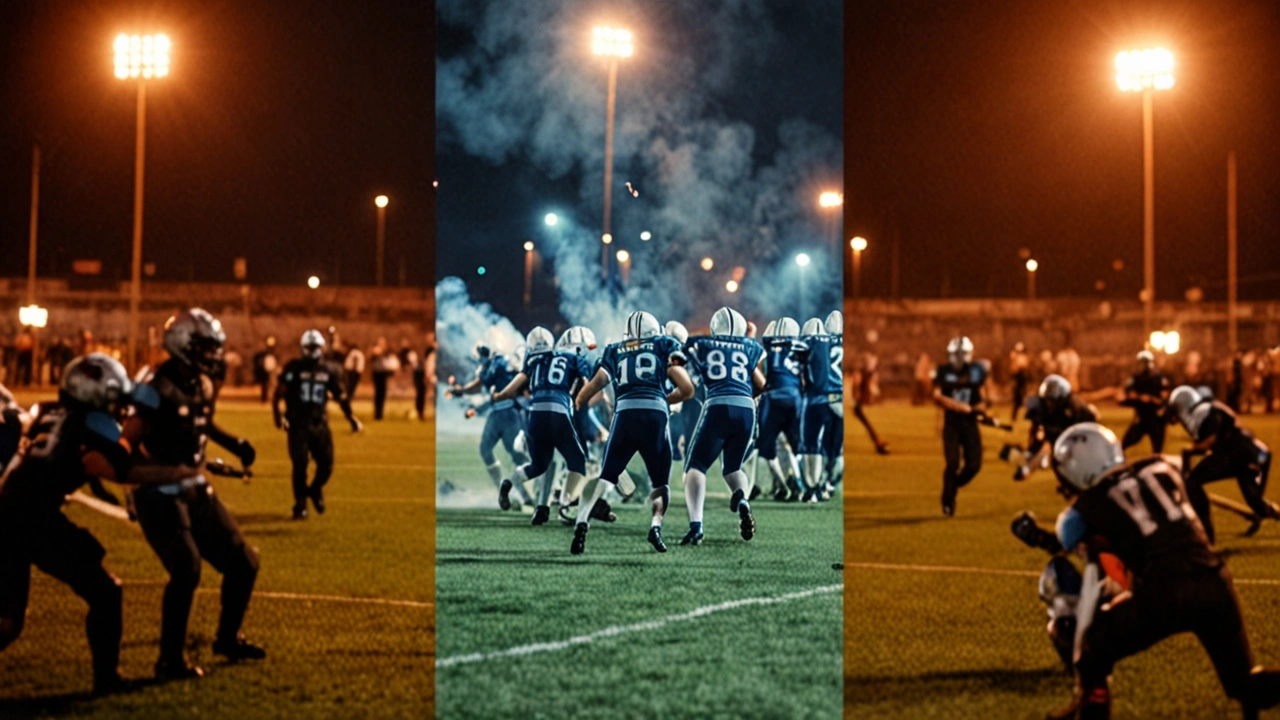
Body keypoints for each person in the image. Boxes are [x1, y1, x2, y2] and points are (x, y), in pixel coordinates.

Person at [1017, 423, 1280, 720]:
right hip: (1214, 581)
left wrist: (1039, 536)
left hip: (1162, 592)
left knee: (1092, 645)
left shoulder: (1083, 508)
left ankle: (1091, 705)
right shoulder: (1161, 466)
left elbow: (1079, 549)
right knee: (1242, 682)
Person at [0, 355, 198, 694]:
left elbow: (75, 458)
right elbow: (110, 466)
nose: (116, 404)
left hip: (6, 511)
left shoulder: (44, 409)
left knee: (7, 621)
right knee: (106, 592)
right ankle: (107, 679)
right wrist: (179, 474)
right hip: (34, 519)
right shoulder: (93, 421)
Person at [126, 309, 264, 679]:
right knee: (186, 569)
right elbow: (127, 440)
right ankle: (169, 660)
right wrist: (147, 474)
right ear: (183, 344)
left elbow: (200, 421)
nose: (213, 355)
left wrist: (234, 443)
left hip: (196, 489)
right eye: (206, 347)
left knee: (244, 563)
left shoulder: (202, 383)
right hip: (159, 492)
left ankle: (227, 638)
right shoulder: (154, 385)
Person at [571, 311, 694, 554]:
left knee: (607, 477)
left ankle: (582, 521)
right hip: (654, 415)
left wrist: (579, 400)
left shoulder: (615, 349)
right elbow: (687, 388)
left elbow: (594, 385)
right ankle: (655, 527)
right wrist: (665, 399)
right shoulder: (663, 344)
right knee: (660, 483)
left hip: (625, 414)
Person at [678, 307, 766, 546]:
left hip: (718, 404)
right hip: (746, 408)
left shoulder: (703, 344)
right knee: (733, 467)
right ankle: (742, 500)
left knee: (696, 467)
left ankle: (696, 527)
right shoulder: (750, 346)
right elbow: (761, 384)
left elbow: (682, 360)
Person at [492, 327, 594, 525]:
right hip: (559, 412)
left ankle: (512, 485)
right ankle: (564, 507)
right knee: (578, 461)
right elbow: (588, 384)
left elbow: (512, 389)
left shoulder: (534, 360)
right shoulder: (574, 358)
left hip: (535, 414)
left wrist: (498, 396)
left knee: (539, 465)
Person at [1167, 385, 1278, 542]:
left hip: (1245, 456)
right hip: (1247, 455)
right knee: (1256, 503)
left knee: (1193, 481)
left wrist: (1189, 450)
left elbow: (1208, 441)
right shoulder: (1207, 408)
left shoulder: (1203, 411)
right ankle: (1270, 514)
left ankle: (1206, 533)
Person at [274, 330, 363, 520]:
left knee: (327, 465)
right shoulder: (294, 368)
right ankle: (300, 505)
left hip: (320, 422)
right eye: (310, 347)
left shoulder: (329, 370)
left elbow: (341, 396)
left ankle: (314, 490)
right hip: (298, 423)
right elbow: (278, 394)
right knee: (300, 465)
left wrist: (351, 417)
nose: (313, 351)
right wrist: (278, 417)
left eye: (315, 347)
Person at [447, 342, 531, 507]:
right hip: (496, 414)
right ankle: (502, 488)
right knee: (485, 449)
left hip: (510, 413)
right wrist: (462, 390)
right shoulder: (487, 368)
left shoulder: (501, 362)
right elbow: (479, 384)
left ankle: (529, 492)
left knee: (517, 456)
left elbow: (516, 378)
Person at [1002, 374, 1098, 481]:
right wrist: (1032, 448)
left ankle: (1028, 467)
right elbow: (1036, 430)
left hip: (1076, 444)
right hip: (1055, 443)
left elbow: (1088, 435)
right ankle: (1028, 467)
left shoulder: (1076, 408)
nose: (1049, 404)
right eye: (1047, 400)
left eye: (1053, 401)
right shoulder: (1040, 407)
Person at [932, 335, 988, 516]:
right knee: (953, 462)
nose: (958, 357)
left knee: (974, 465)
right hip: (952, 424)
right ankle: (948, 501)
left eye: (961, 353)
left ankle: (952, 485)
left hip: (970, 424)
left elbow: (983, 399)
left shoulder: (976, 371)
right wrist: (959, 406)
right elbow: (937, 397)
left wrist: (980, 409)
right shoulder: (943, 371)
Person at [757, 317, 807, 501]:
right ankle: (800, 482)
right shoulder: (801, 348)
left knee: (767, 446)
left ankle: (783, 485)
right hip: (795, 399)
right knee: (795, 446)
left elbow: (761, 375)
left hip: (773, 397)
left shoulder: (769, 348)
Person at [798, 315, 843, 501]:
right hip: (840, 399)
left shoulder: (815, 340)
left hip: (819, 398)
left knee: (811, 445)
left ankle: (813, 487)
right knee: (836, 449)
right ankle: (829, 483)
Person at [1120, 350, 1171, 453]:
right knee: (1125, 443)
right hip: (1142, 417)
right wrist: (1140, 397)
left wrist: (1151, 399)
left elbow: (1164, 397)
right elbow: (1129, 393)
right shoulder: (1136, 378)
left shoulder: (1158, 378)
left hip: (1156, 418)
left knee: (1157, 450)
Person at [369, 338, 400, 421]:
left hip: (383, 373)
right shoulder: (376, 350)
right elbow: (372, 356)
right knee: (378, 394)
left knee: (382, 394)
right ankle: (377, 414)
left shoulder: (386, 351)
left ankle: (380, 414)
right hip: (377, 373)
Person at [251, 336, 279, 403]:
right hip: (265, 372)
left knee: (273, 386)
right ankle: (265, 399)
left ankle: (271, 398)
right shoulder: (264, 355)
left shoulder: (273, 355)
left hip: (272, 372)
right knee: (265, 386)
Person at [1009, 341, 1031, 421]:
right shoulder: (1014, 356)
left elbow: (1025, 366)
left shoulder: (1024, 357)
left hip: (1022, 381)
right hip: (1017, 380)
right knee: (1016, 400)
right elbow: (1014, 369)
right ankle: (1014, 417)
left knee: (1024, 398)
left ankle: (1026, 416)